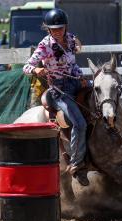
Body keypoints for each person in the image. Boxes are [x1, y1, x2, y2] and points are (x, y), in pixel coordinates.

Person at [23, 8, 90, 186]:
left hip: (75, 82)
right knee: (80, 123)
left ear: (65, 27)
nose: (58, 31)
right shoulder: (44, 45)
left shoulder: (70, 39)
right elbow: (26, 67)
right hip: (59, 90)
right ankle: (76, 163)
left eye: (60, 28)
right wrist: (36, 69)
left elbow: (73, 64)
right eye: (54, 29)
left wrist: (81, 77)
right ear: (48, 29)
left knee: (99, 101)